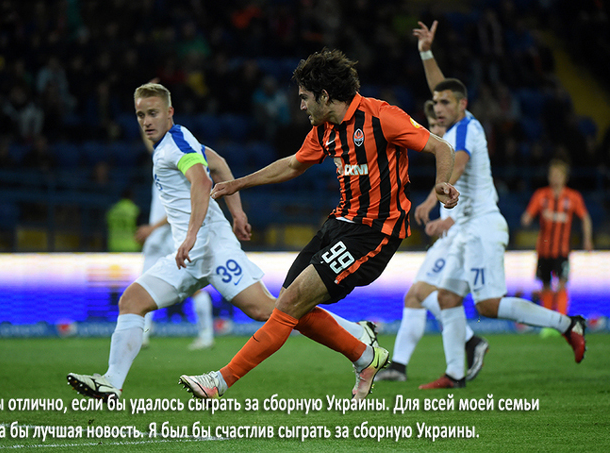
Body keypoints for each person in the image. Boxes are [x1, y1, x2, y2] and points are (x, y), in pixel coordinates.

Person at [67, 82, 378, 400]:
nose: (146, 121)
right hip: (190, 254)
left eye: (153, 113)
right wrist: (237, 212)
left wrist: (193, 234)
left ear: (170, 112)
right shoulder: (175, 142)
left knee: (271, 310)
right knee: (132, 301)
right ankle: (112, 382)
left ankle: (356, 335)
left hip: (212, 249)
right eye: (140, 115)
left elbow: (202, 181)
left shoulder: (175, 144)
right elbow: (217, 164)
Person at [179, 48, 459, 401]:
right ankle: (364, 356)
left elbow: (442, 148)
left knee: (292, 302)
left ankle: (219, 382)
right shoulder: (324, 129)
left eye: (304, 97)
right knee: (287, 305)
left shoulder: (382, 117)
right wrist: (239, 183)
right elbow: (293, 164)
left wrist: (442, 183)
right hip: (338, 223)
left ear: (324, 96)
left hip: (374, 232)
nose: (301, 106)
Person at [410, 21, 586, 390]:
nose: (438, 107)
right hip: (466, 229)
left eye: (445, 103)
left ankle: (567, 324)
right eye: (436, 102)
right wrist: (426, 52)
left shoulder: (466, 130)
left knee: (488, 305)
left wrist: (432, 199)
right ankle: (455, 374)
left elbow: (458, 165)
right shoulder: (456, 120)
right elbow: (442, 88)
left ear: (462, 105)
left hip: (482, 227)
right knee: (446, 297)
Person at [375, 101, 489, 383]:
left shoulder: (460, 153)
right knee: (413, 296)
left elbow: (476, 198)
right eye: (433, 126)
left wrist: (449, 221)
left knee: (423, 291)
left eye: (440, 124)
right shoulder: (444, 154)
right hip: (447, 238)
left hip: (460, 236)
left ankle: (471, 340)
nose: (438, 129)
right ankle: (399, 367)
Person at [135, 129, 215, 351]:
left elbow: (181, 207)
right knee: (146, 284)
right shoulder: (165, 161)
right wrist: (143, 120)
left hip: (176, 236)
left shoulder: (187, 172)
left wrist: (152, 227)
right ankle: (142, 335)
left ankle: (207, 336)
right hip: (159, 238)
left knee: (194, 287)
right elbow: (152, 143)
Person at [521, 158, 593, 315]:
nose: (555, 178)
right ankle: (548, 321)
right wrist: (528, 219)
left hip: (562, 250)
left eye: (558, 175)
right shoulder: (541, 195)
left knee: (561, 284)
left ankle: (561, 319)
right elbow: (526, 217)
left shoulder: (572, 197)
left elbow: (585, 218)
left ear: (565, 177)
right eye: (552, 175)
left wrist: (587, 239)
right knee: (546, 285)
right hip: (544, 250)